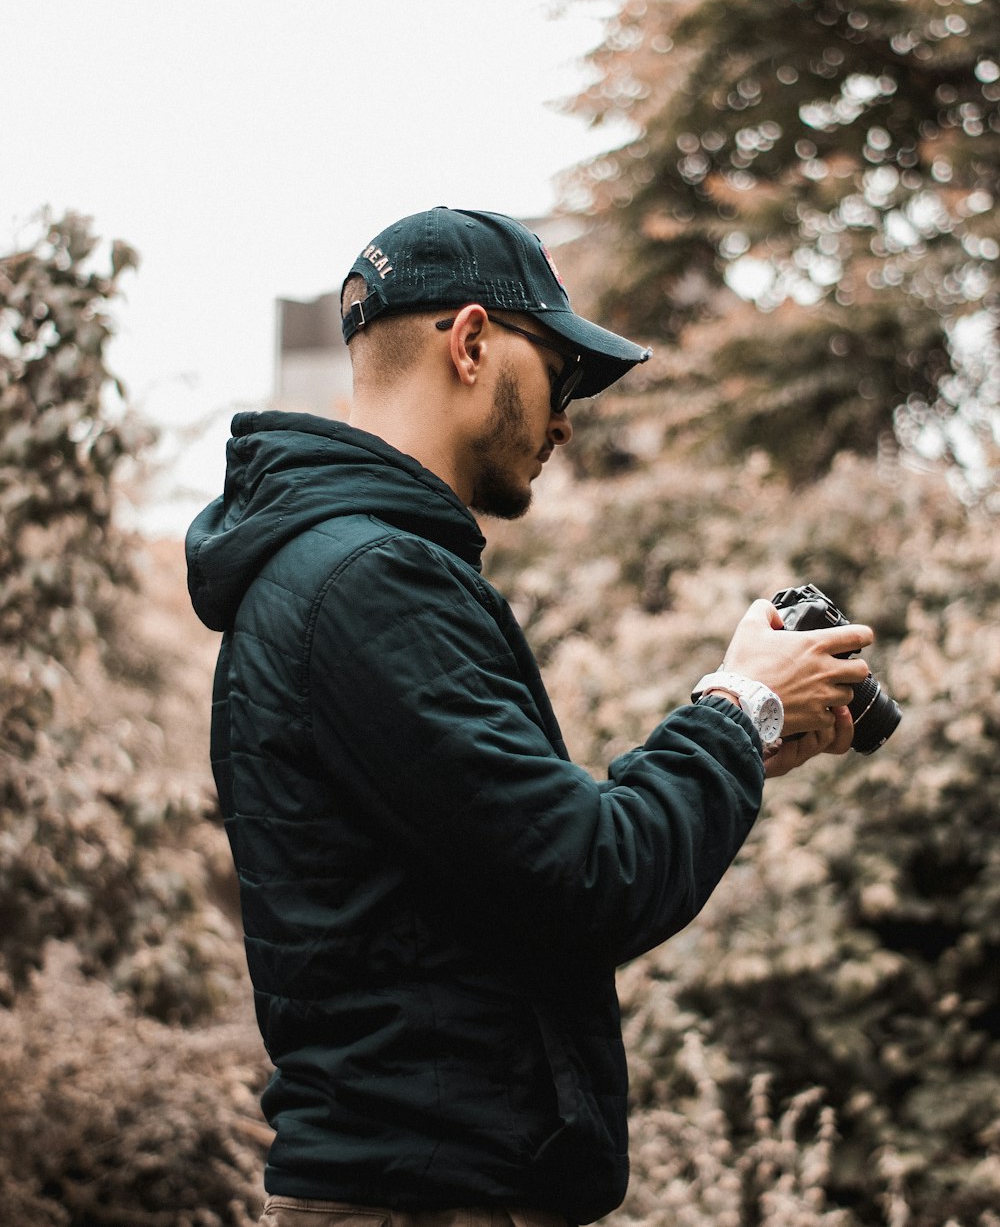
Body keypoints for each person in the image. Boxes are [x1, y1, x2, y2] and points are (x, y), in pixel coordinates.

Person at [185, 206, 873, 1227]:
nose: (564, 421)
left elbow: (512, 865)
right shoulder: (372, 580)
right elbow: (590, 878)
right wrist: (736, 708)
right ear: (470, 342)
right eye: (562, 376)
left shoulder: (335, 570)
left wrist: (743, 739)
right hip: (427, 1197)